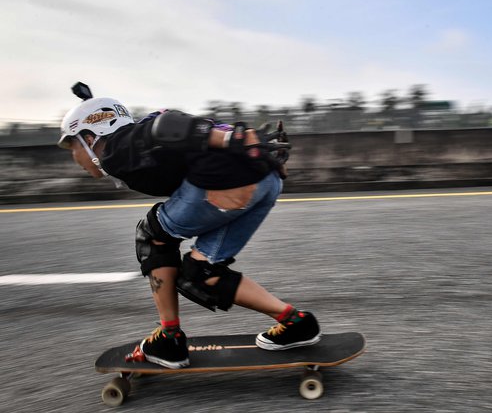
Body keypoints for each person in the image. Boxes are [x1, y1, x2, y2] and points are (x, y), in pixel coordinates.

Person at [57, 83, 320, 369]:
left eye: (72, 145)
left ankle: (169, 338)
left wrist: (234, 138)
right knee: (201, 273)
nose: (74, 157)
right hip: (265, 181)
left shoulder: (119, 146)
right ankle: (296, 323)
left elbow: (166, 123)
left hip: (226, 184)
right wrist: (239, 142)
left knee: (151, 235)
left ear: (89, 137)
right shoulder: (131, 142)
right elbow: (173, 127)